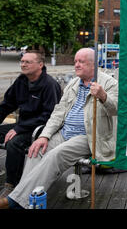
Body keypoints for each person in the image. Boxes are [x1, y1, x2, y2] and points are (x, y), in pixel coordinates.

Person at [0, 48, 118, 209]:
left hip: (89, 136)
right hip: (64, 132)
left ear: (94, 65)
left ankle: (16, 200)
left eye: (81, 62)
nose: (76, 65)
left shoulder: (109, 83)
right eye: (75, 61)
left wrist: (103, 96)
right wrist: (44, 136)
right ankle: (27, 199)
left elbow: (116, 110)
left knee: (55, 155)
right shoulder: (74, 83)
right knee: (36, 150)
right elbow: (58, 113)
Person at [0, 51, 61, 197]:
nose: (23, 64)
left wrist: (19, 128)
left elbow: (49, 116)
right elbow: (7, 105)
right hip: (22, 126)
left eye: (28, 62)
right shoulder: (21, 81)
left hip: (41, 129)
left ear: (40, 65)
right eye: (22, 61)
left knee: (14, 143)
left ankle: (12, 185)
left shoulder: (49, 85)